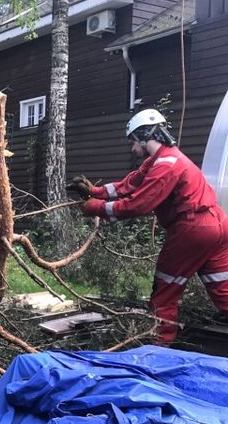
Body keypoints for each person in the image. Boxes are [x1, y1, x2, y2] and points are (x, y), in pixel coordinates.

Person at [66, 108, 228, 344]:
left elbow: (137, 205)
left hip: (193, 228)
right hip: (218, 225)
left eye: (133, 142)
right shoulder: (163, 159)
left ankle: (160, 347)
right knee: (222, 285)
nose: (133, 148)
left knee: (165, 289)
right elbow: (129, 184)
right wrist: (94, 191)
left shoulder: (165, 165)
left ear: (144, 136)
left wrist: (95, 208)